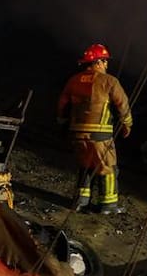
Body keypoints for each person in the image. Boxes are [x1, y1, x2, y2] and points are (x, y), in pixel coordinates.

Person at [57, 43, 133, 214]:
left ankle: (80, 202)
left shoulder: (73, 80)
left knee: (85, 165)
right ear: (97, 62)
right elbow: (122, 105)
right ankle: (108, 205)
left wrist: (62, 121)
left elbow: (62, 104)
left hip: (77, 133)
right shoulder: (109, 81)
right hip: (100, 135)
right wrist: (127, 123)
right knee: (108, 167)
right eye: (105, 61)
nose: (106, 65)